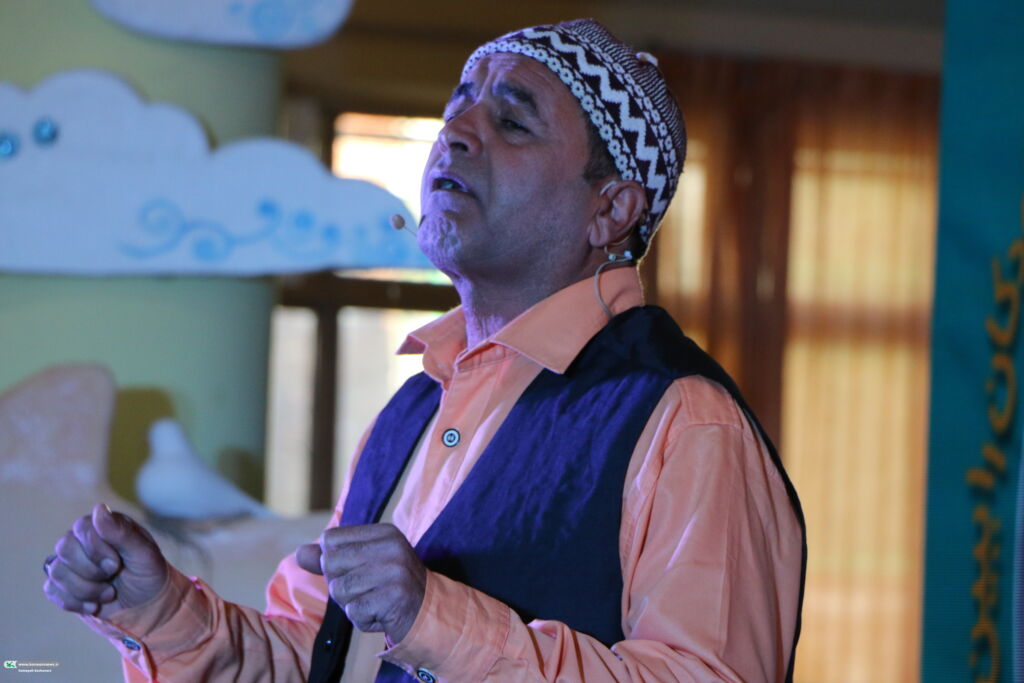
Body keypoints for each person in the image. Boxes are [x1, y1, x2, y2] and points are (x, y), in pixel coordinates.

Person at [42, 19, 806, 683]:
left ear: (610, 209)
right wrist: (163, 613)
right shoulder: (411, 408)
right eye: (456, 107)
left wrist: (432, 615)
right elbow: (323, 655)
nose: (457, 132)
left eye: (513, 122)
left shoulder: (685, 421)